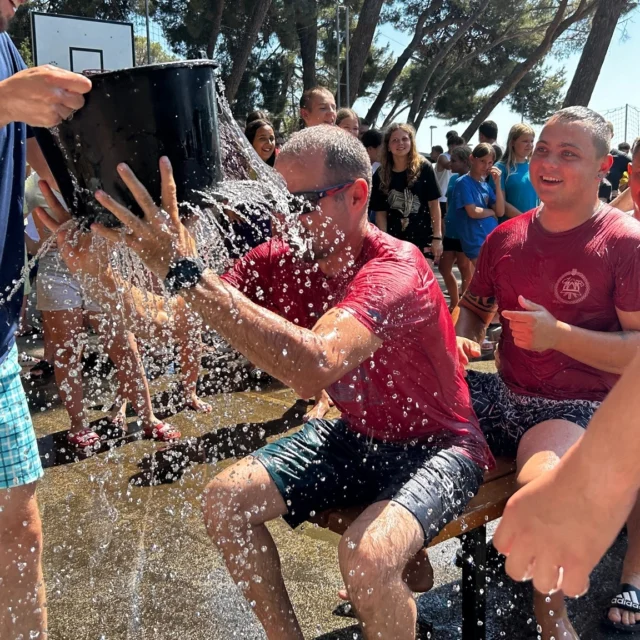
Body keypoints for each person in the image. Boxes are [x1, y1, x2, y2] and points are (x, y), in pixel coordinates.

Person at [40, 126, 493, 640]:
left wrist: (187, 272)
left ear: (356, 196)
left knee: (366, 559)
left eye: (300, 202)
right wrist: (98, 276)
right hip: (356, 435)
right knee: (225, 502)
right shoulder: (282, 257)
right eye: (276, 201)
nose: (284, 219)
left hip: (441, 447)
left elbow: (314, 366)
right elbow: (167, 321)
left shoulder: (398, 268)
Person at [456, 106, 640, 640]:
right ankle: (397, 555)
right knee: (407, 401)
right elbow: (474, 306)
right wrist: (467, 335)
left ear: (604, 166)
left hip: (579, 408)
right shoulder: (505, 237)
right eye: (542, 150)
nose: (549, 162)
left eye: (568, 153)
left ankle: (551, 611)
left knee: (542, 485)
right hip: (505, 392)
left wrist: (559, 336)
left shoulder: (625, 242)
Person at [0, 5, 93, 635]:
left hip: (0, 338)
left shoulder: (6, 49)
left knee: (21, 531)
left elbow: (33, 168)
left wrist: (82, 226)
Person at [27, 176, 185, 448]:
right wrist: (36, 247)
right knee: (67, 349)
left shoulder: (87, 170)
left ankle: (148, 417)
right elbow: (19, 226)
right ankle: (78, 424)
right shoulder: (33, 184)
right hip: (57, 269)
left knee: (125, 345)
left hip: (102, 266)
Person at [371, 123, 443, 262]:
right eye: (395, 140)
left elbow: (434, 204)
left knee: (422, 281)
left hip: (423, 238)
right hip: (394, 241)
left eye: (404, 139)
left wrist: (437, 237)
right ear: (388, 146)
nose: (400, 143)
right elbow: (380, 213)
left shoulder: (424, 168)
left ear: (411, 142)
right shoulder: (380, 175)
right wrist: (385, 243)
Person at [454, 143, 504, 265]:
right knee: (483, 278)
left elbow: (500, 211)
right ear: (472, 158)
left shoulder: (485, 186)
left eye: (490, 163)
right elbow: (473, 212)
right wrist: (491, 212)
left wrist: (497, 184)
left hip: (490, 239)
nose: (486, 166)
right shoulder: (463, 182)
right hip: (475, 241)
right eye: (482, 161)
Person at [439, 145, 474, 310]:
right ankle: (455, 301)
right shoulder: (453, 179)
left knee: (464, 267)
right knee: (444, 267)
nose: (450, 164)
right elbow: (448, 202)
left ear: (465, 161)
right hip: (450, 229)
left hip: (464, 231)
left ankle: (463, 305)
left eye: (454, 161)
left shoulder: (472, 180)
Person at [492, 123, 538, 218]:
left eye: (532, 141)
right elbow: (500, 202)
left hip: (532, 226)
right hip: (510, 226)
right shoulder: (500, 167)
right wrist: (524, 220)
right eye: (525, 141)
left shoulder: (534, 166)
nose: (530, 145)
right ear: (512, 142)